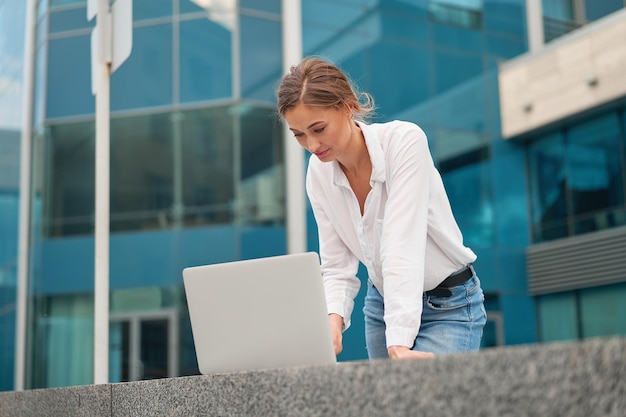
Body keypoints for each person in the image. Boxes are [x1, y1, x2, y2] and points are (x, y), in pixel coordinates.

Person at [276, 57, 486, 360]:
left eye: (318, 129)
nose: (311, 144)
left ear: (348, 107)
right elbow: (336, 265)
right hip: (382, 304)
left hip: (449, 305)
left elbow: (401, 246)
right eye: (299, 135)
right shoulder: (318, 172)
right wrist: (332, 320)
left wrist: (399, 340)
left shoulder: (404, 142)